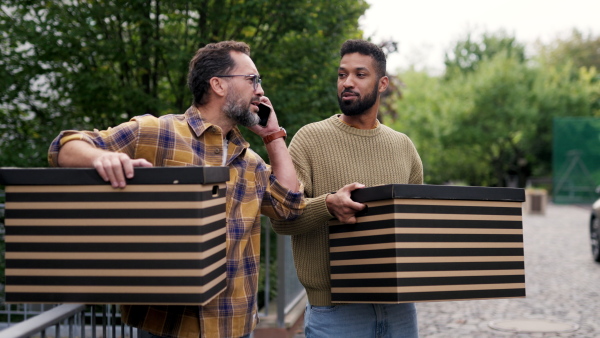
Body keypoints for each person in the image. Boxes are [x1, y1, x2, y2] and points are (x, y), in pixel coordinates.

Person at [48, 40, 304, 338]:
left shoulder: (250, 161)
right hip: (166, 326)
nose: (260, 90)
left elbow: (289, 207)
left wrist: (273, 136)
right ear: (218, 85)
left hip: (235, 324)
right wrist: (103, 157)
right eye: (252, 79)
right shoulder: (157, 132)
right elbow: (63, 147)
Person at [271, 39, 423, 337]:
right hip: (335, 314)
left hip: (401, 311)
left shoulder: (403, 147)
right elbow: (280, 219)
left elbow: (415, 227)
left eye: (359, 74)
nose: (347, 82)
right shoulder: (309, 139)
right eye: (342, 75)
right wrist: (326, 205)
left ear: (382, 84)